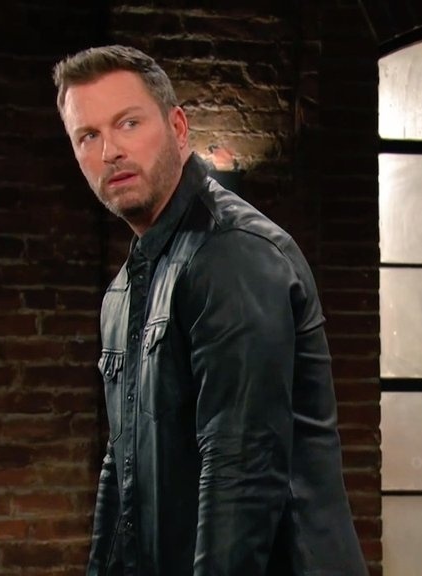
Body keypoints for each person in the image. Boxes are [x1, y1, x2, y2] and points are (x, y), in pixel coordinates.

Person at [52, 45, 369, 576]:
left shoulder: (233, 253)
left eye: (128, 123)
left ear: (178, 128)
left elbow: (241, 472)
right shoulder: (123, 290)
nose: (110, 151)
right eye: (88, 136)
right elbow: (119, 471)